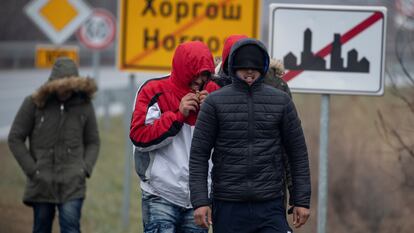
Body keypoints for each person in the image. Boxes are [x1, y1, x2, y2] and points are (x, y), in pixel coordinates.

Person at [189, 38, 311, 233]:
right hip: (228, 206)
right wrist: (200, 201)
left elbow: (297, 153)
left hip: (270, 204)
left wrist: (301, 200)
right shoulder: (214, 103)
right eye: (243, 66)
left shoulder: (281, 102)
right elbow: (199, 155)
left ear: (262, 67)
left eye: (254, 66)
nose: (249, 71)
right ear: (233, 66)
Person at [129, 41, 219, 233]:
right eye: (195, 73)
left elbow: (228, 141)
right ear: (182, 68)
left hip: (199, 198)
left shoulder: (215, 94)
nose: (200, 79)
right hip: (160, 193)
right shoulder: (153, 90)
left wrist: (211, 111)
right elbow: (139, 137)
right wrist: (178, 115)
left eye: (205, 73)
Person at [8, 57, 100, 233]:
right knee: (41, 228)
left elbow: (93, 141)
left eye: (70, 85)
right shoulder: (34, 104)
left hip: (73, 183)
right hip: (42, 182)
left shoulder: (84, 106)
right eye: (61, 85)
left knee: (71, 228)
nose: (65, 90)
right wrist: (33, 170)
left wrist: (84, 168)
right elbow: (15, 138)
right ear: (53, 83)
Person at [214, 35, 294, 213]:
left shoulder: (277, 90)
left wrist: (297, 195)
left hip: (267, 190)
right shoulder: (214, 86)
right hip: (235, 191)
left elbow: (291, 146)